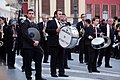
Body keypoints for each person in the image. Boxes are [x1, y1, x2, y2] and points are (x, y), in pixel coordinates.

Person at [20, 9, 46, 80]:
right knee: (28, 63)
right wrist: (32, 42)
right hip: (28, 46)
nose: (31, 15)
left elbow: (38, 34)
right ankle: (29, 77)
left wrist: (37, 41)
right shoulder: (24, 23)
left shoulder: (35, 24)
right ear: (27, 15)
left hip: (36, 46)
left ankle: (38, 77)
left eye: (32, 13)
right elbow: (25, 34)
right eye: (30, 13)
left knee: (38, 61)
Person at [46, 9, 69, 77]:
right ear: (55, 15)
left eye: (61, 14)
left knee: (61, 58)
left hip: (61, 43)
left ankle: (61, 72)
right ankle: (53, 72)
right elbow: (47, 30)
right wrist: (55, 30)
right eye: (59, 14)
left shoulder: (62, 22)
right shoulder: (51, 22)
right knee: (54, 59)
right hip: (54, 43)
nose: (61, 15)